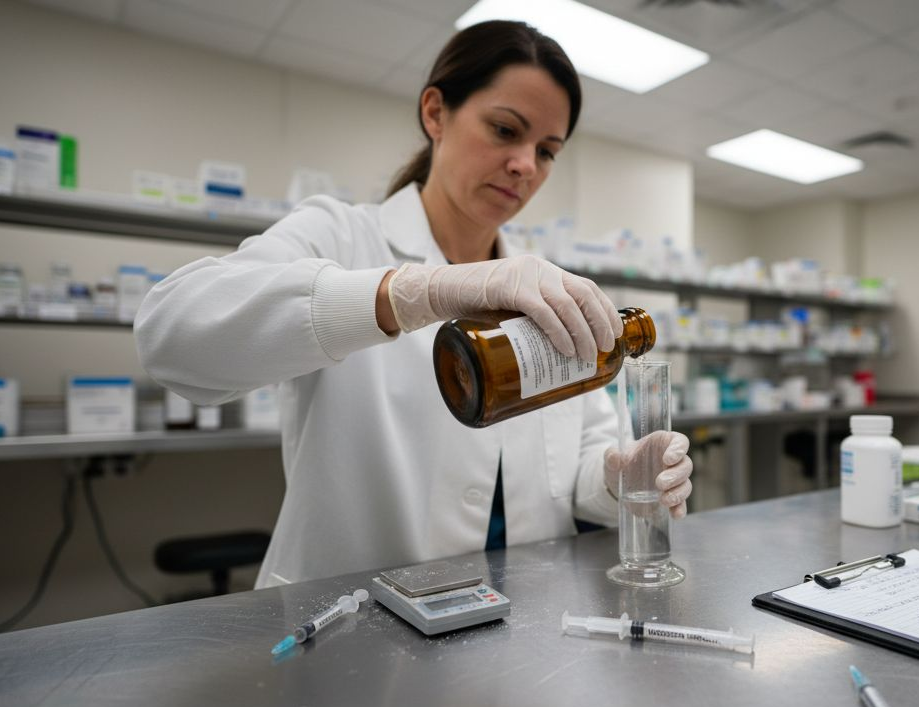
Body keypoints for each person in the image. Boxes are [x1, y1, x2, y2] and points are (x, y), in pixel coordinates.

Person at [135, 21, 693, 588]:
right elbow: (171, 334)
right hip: (350, 624)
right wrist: (414, 293)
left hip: (525, 627)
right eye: (505, 130)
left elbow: (581, 470)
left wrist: (618, 478)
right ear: (435, 113)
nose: (527, 165)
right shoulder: (342, 235)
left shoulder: (549, 287)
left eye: (547, 151)